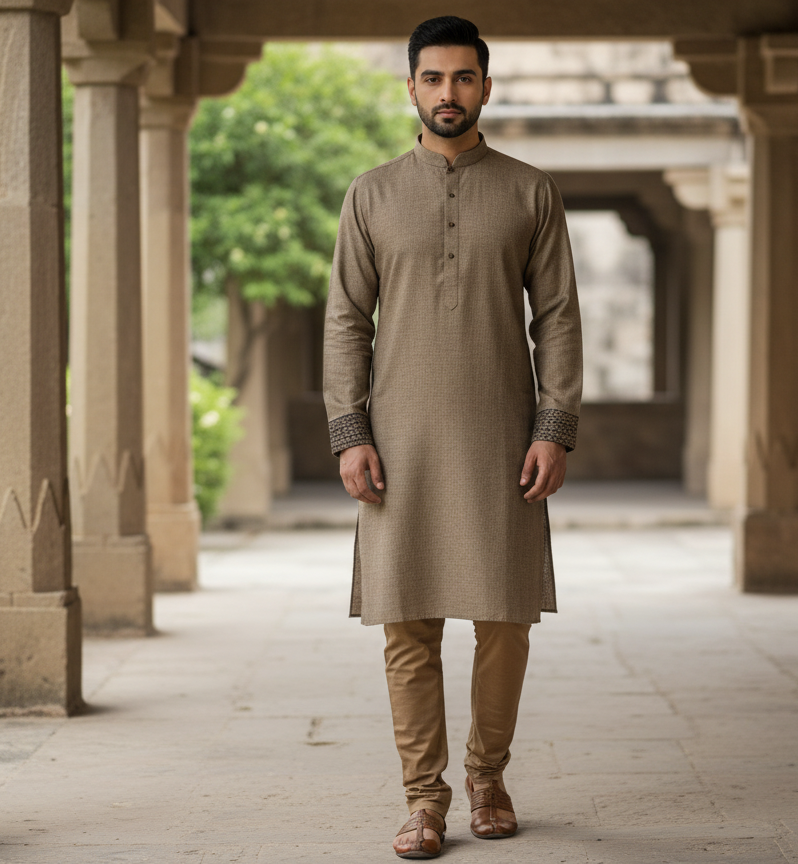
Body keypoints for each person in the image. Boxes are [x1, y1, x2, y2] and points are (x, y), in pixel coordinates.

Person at [322, 15, 582, 859]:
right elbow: (343, 323)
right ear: (410, 87)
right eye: (432, 79)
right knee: (409, 624)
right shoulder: (370, 195)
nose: (447, 93)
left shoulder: (530, 191)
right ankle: (424, 800)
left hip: (503, 438)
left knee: (505, 618)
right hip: (397, 443)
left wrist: (554, 427)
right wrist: (350, 431)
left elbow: (558, 318)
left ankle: (487, 775)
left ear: (485, 87)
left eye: (463, 78)